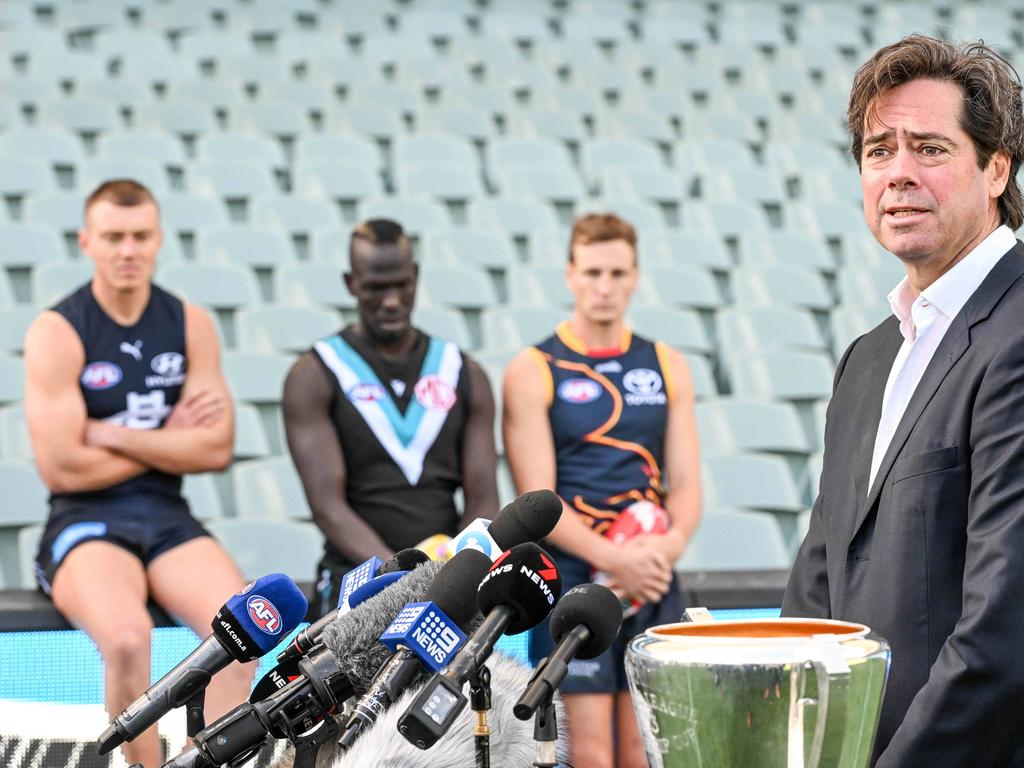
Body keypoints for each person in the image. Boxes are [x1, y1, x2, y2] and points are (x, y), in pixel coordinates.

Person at [784, 35, 1024, 766]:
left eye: (929, 148)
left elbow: (1005, 630)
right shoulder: (867, 359)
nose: (898, 174)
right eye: (878, 150)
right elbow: (818, 588)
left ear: (996, 170)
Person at [24, 180, 252, 767]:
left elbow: (215, 449)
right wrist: (169, 437)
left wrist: (112, 432)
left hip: (166, 515)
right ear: (86, 242)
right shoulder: (59, 330)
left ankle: (205, 763)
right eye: (113, 237)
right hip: (85, 519)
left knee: (241, 633)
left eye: (140, 236)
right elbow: (63, 466)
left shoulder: (189, 323)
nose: (128, 250)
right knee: (128, 641)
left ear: (158, 240)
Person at [502, 212, 701, 768]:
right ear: (570, 274)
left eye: (617, 272)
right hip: (576, 581)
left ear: (635, 276)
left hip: (651, 579)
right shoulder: (533, 368)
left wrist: (662, 551)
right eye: (592, 272)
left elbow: (686, 487)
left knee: (646, 751)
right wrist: (617, 560)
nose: (604, 287)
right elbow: (536, 502)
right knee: (589, 753)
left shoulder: (667, 365)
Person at [281, 218, 499, 618]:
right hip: (357, 578)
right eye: (376, 288)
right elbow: (328, 507)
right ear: (351, 284)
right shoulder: (314, 375)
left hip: (446, 579)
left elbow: (483, 497)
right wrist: (401, 577)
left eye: (402, 285)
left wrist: (454, 568)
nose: (392, 300)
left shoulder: (464, 372)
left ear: (416, 276)